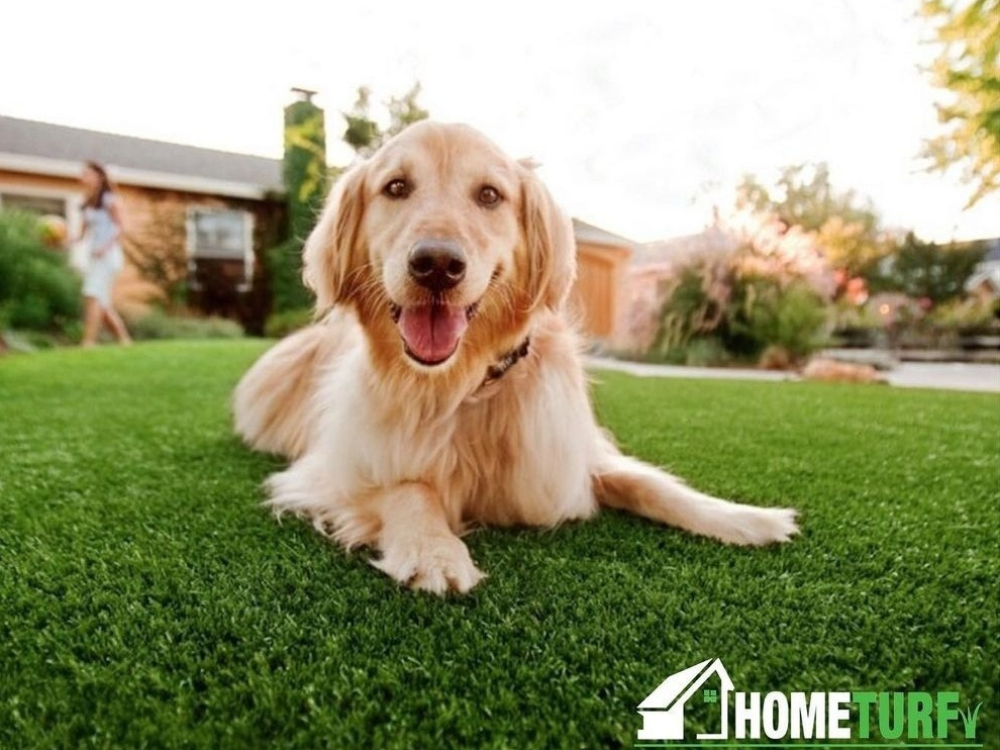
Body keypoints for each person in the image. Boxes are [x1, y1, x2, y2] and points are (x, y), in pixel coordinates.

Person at [76, 161, 131, 347]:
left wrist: (105, 247)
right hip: (94, 257)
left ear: (99, 177)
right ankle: (124, 341)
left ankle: (88, 342)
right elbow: (80, 236)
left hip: (109, 256)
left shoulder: (110, 199)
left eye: (87, 173)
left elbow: (121, 227)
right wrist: (59, 241)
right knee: (103, 304)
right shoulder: (86, 204)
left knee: (92, 296)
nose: (83, 177)